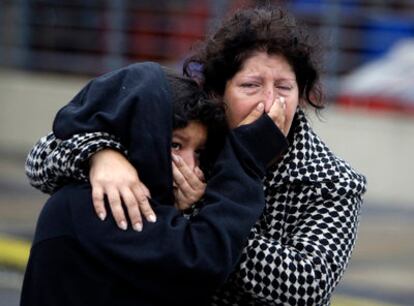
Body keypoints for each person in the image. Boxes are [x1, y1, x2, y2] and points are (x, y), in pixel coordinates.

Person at [25, 6, 367, 306]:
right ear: (219, 93)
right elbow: (40, 159)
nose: (267, 102)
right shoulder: (200, 141)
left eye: (284, 87)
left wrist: (206, 213)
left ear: (301, 96)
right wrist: (101, 155)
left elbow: (306, 287)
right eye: (250, 85)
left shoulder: (332, 180)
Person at [21, 62, 288, 306]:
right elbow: (202, 261)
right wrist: (245, 156)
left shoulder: (136, 193)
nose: (190, 165)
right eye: (175, 145)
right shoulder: (103, 200)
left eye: (198, 152)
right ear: (139, 135)